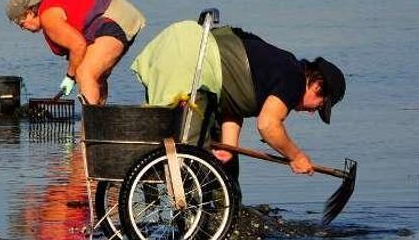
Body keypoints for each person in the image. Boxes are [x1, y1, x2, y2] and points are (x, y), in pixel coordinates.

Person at [131, 20, 346, 180]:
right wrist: (296, 156)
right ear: (317, 86)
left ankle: (215, 221)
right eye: (319, 106)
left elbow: (232, 104)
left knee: (217, 168)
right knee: (190, 161)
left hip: (173, 47)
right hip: (192, 66)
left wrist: (228, 149)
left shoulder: (276, 66)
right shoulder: (294, 79)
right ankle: (192, 226)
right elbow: (268, 125)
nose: (310, 112)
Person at [6, 0, 146, 105]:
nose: (23, 29)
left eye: (22, 24)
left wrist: (70, 77)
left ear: (29, 13)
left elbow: (78, 46)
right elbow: (77, 51)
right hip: (122, 13)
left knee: (85, 74)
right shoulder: (50, 9)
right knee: (96, 77)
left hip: (113, 15)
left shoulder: (48, 17)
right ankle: (101, 125)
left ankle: (90, 135)